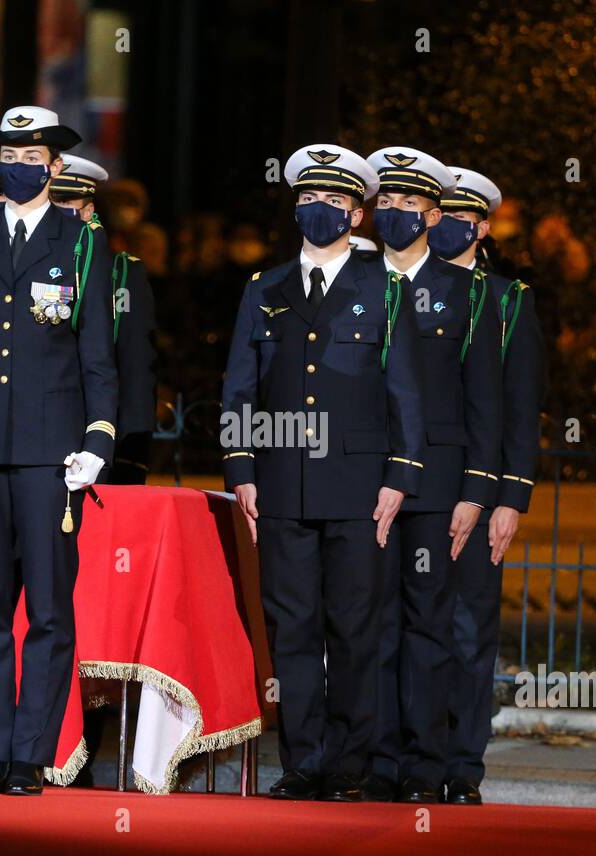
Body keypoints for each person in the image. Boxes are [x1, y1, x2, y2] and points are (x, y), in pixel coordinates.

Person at [222, 144, 425, 801]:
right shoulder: (265, 289)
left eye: (335, 203)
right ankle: (303, 761)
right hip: (281, 484)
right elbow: (238, 389)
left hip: (360, 487)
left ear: (357, 216)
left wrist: (399, 477)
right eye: (309, 199)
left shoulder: (385, 290)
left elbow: (406, 393)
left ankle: (349, 762)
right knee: (293, 626)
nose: (319, 210)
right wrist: (242, 468)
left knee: (355, 627)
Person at [0, 106, 118, 797]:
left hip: (49, 453)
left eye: (33, 153)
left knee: (47, 611)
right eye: (8, 152)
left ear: (55, 165)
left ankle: (30, 756)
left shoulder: (81, 242)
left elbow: (98, 353)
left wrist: (98, 439)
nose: (19, 164)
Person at [360, 148, 501, 804]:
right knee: (369, 624)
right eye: (384, 203)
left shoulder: (467, 293)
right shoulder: (355, 281)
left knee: (430, 627)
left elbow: (486, 402)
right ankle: (376, 762)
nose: (394, 214)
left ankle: (426, 763)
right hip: (361, 481)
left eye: (408, 206)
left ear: (434, 214)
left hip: (438, 488)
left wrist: (477, 491)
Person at [434, 166, 543, 805]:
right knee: (408, 629)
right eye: (438, 213)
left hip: (482, 490)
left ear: (483, 227)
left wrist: (511, 497)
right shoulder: (407, 289)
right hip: (416, 487)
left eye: (460, 217)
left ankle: (461, 766)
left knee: (469, 632)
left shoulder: (509, 299)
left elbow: (521, 407)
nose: (446, 225)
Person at [49, 156, 158, 483]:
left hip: (98, 433)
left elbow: (136, 363)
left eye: (67, 201)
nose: (59, 210)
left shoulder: (121, 274)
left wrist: (131, 452)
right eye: (52, 200)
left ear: (88, 210)